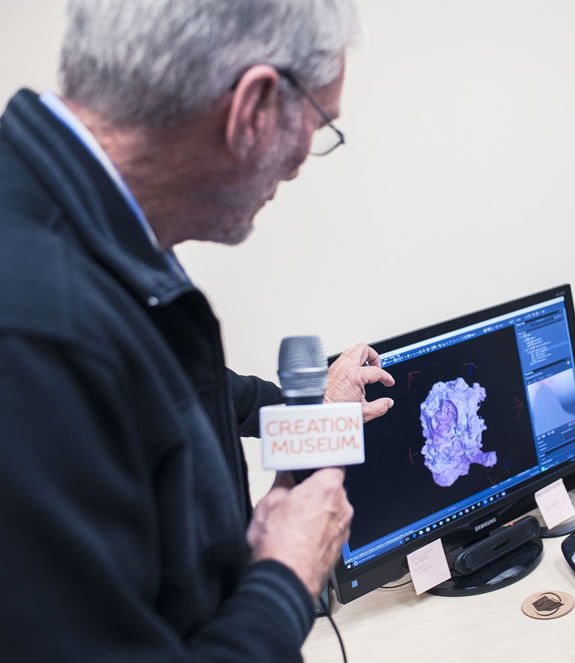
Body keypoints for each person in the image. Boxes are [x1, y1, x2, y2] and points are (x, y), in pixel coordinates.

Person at [0, 1, 394, 661]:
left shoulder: (78, 219)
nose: (299, 164)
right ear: (253, 108)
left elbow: (189, 394)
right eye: (320, 124)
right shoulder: (40, 336)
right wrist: (288, 577)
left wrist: (320, 414)